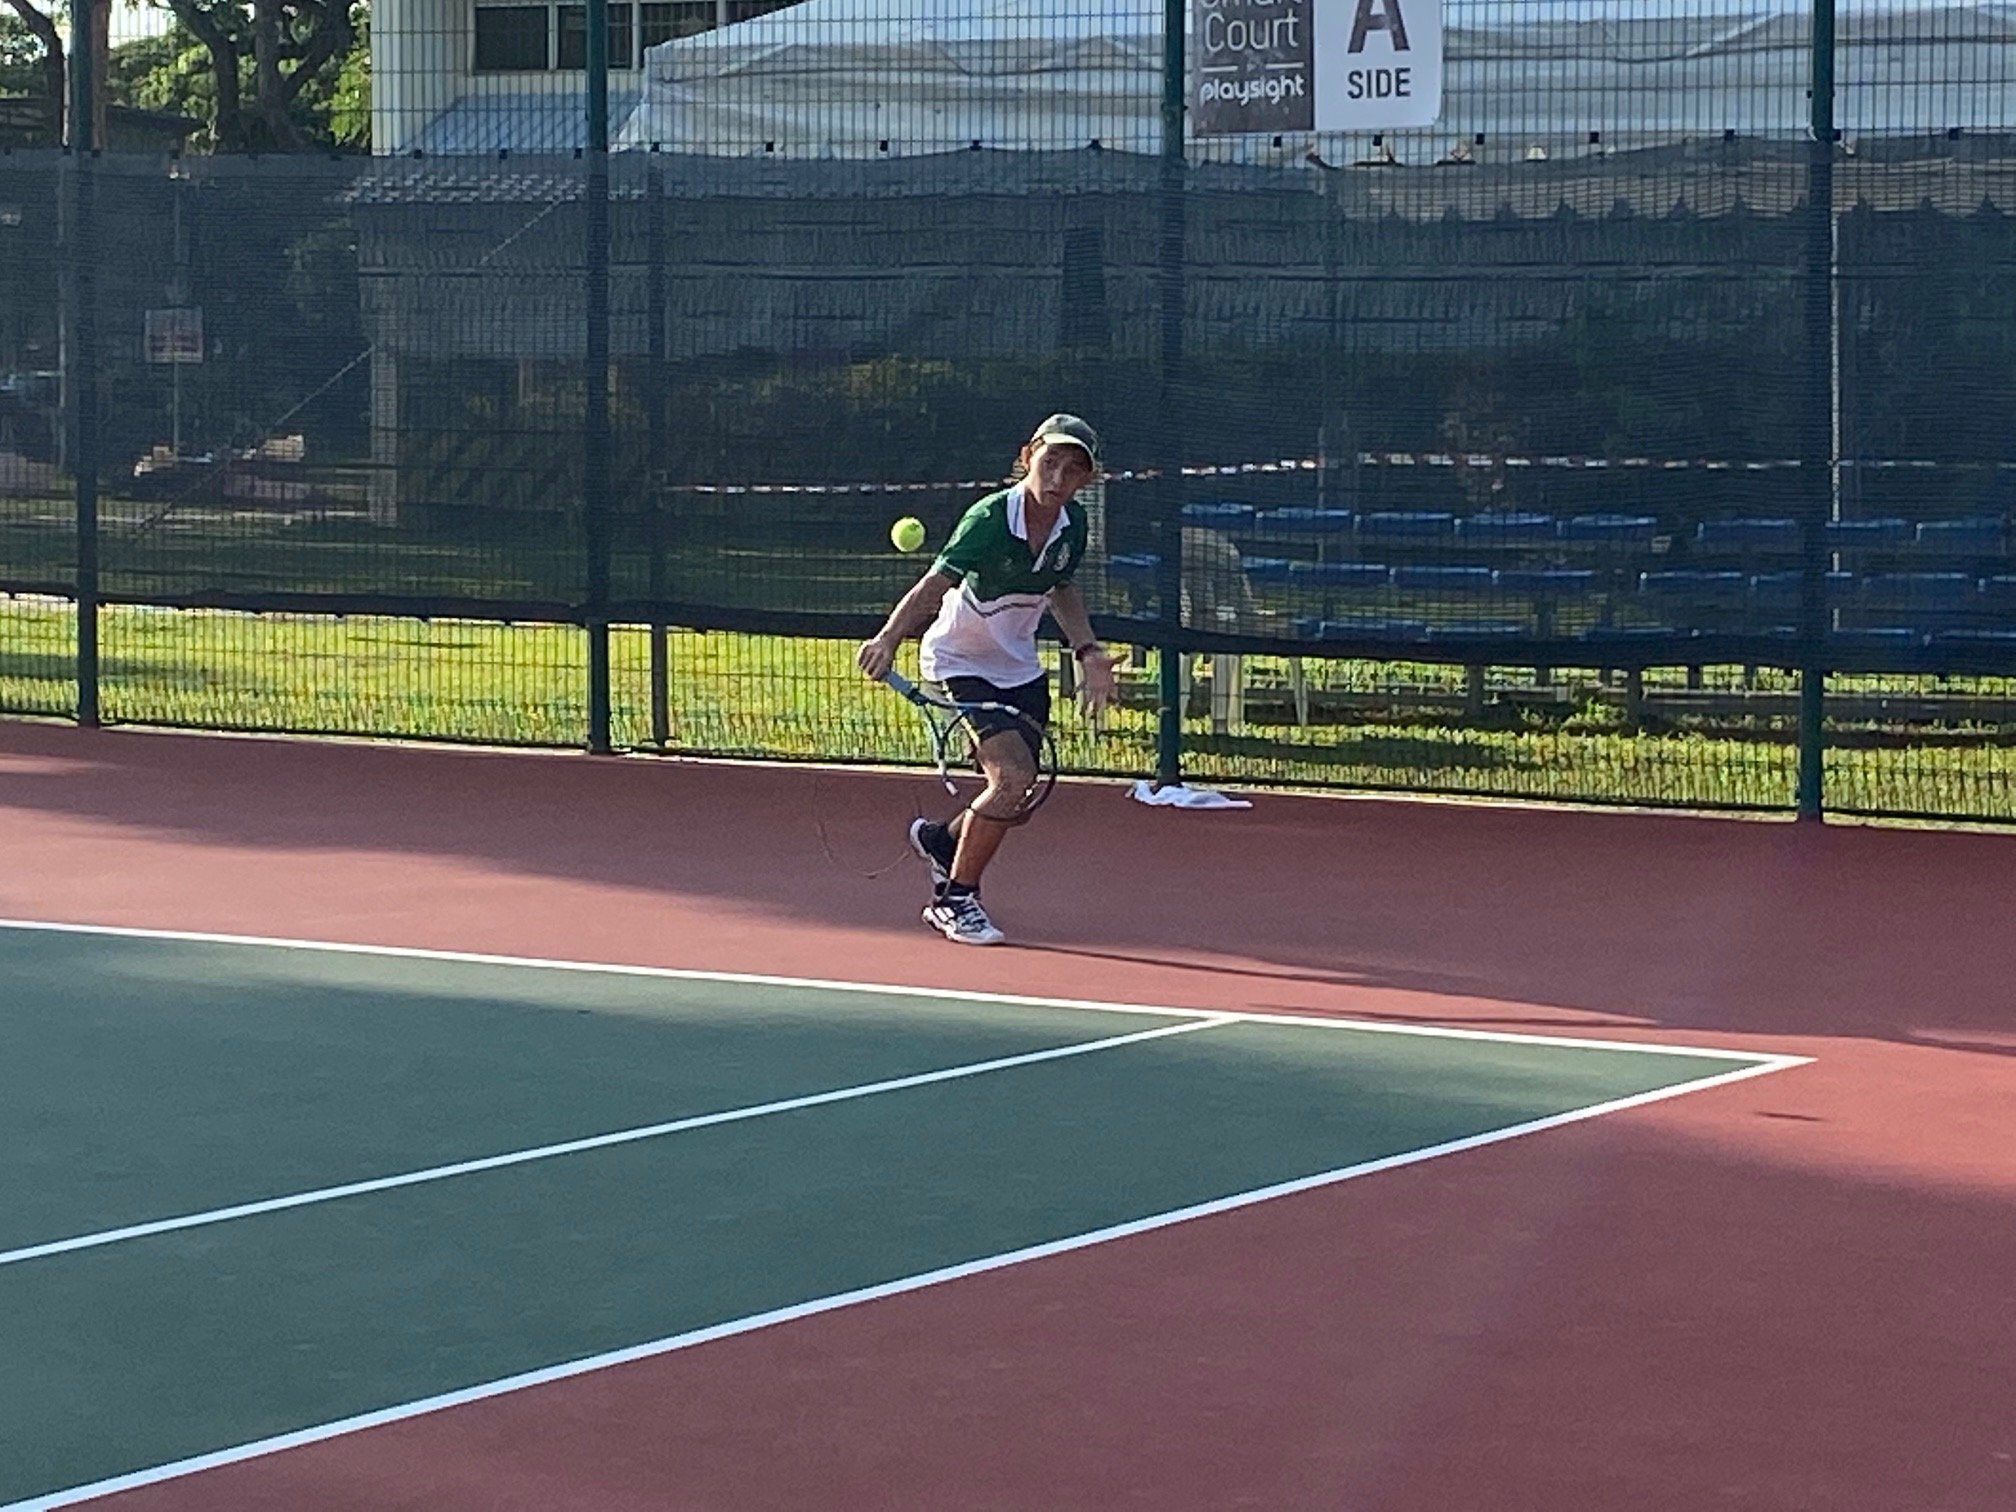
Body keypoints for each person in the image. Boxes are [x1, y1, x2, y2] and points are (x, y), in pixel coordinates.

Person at [856, 413, 1116, 945]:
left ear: (1086, 480)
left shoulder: (1074, 526)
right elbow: (934, 585)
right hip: (960, 662)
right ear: (1027, 457)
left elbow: (1060, 589)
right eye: (1050, 462)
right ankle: (954, 901)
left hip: (1019, 666)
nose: (1058, 477)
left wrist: (1087, 650)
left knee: (1014, 791)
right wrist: (888, 639)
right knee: (1012, 780)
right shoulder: (990, 519)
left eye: (1073, 470)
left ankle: (941, 842)